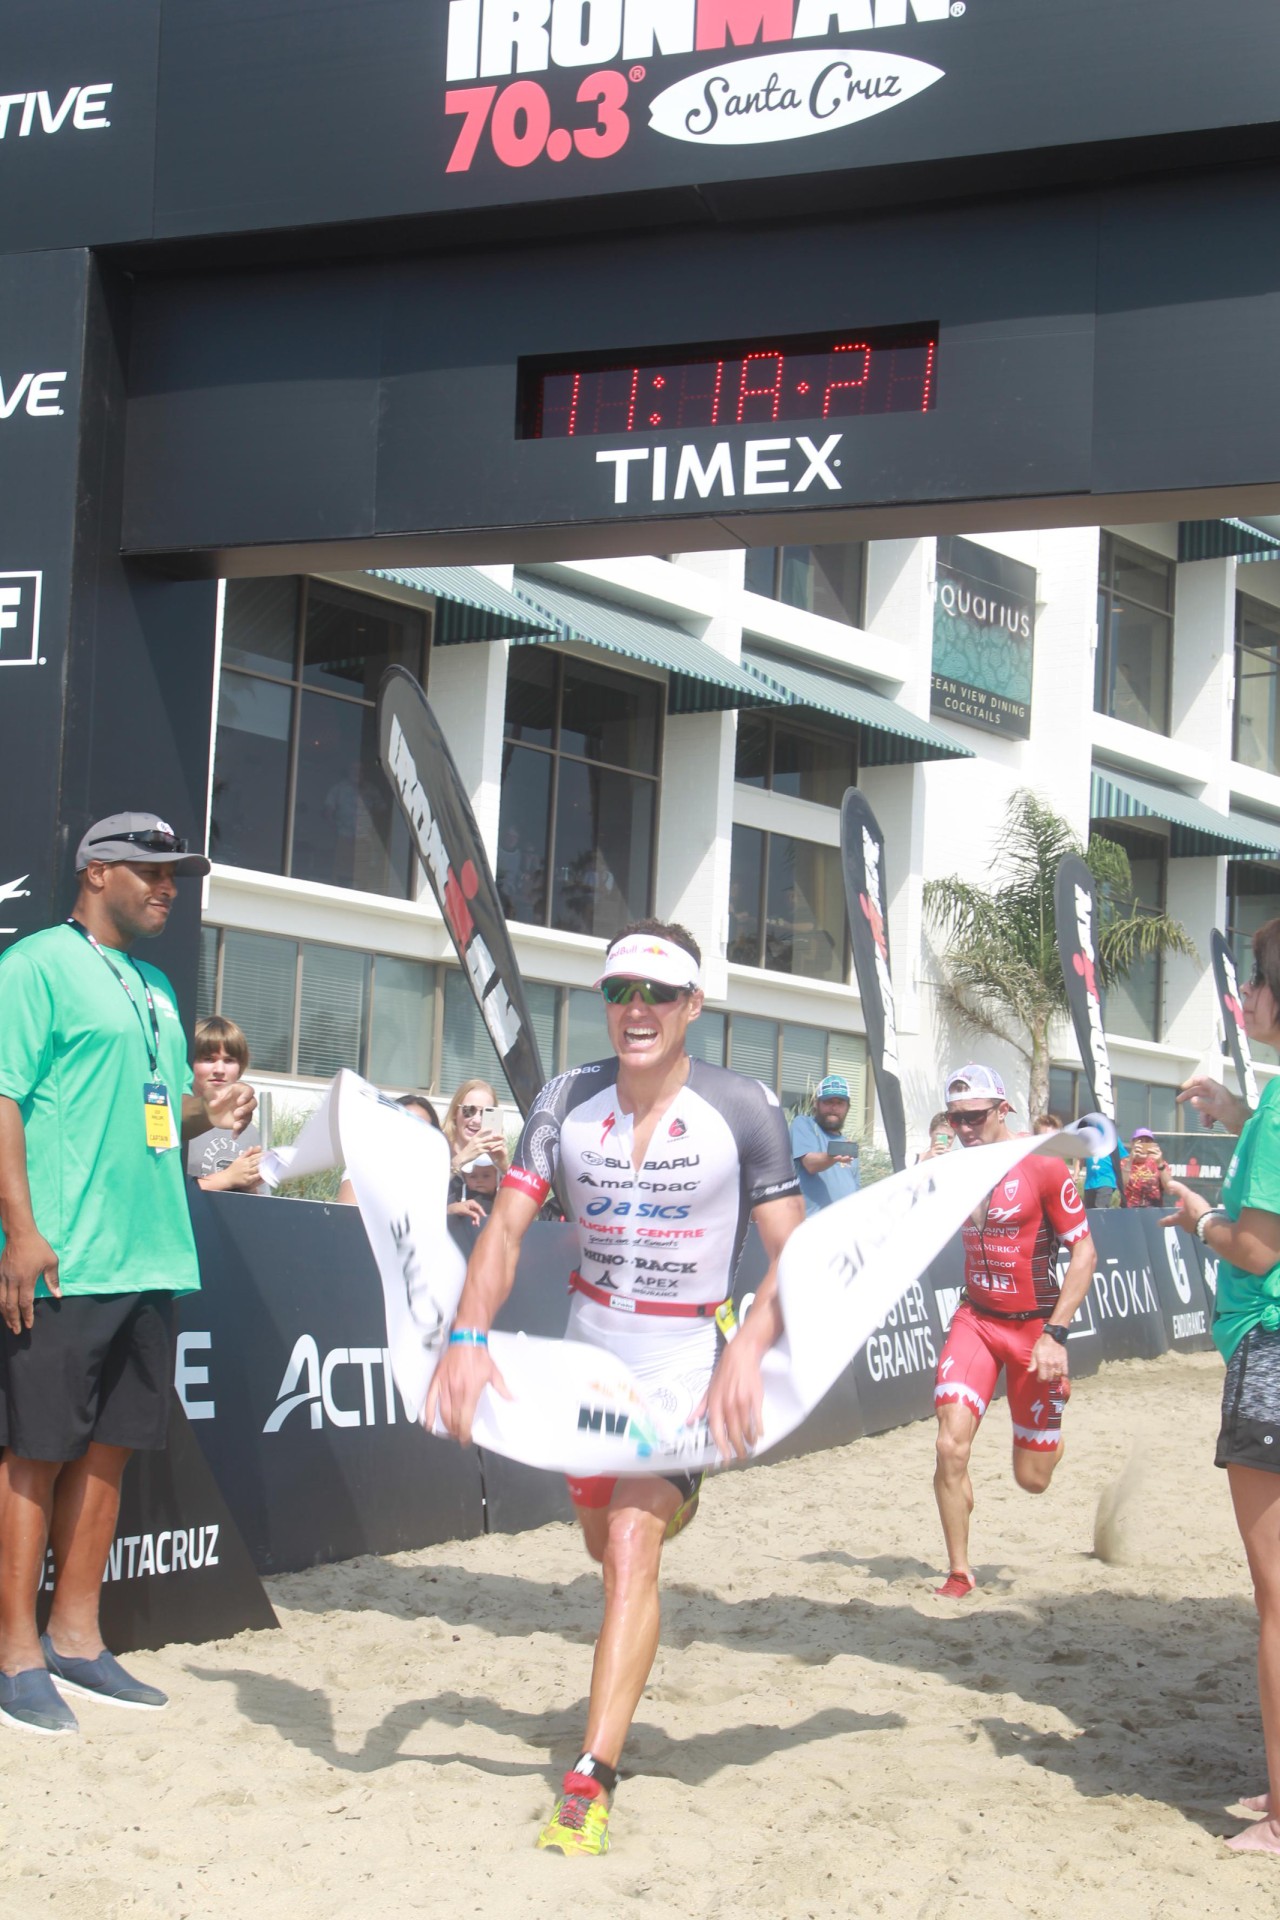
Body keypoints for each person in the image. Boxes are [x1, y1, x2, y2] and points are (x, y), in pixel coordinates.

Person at [427, 918, 804, 1856]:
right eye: (619, 993)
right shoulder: (565, 1098)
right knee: (604, 1545)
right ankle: (653, 1523)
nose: (637, 1011)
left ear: (692, 1007)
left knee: (633, 1548)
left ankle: (590, 1779)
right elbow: (507, 1232)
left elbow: (798, 1255)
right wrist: (468, 1334)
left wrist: (751, 1345)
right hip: (589, 1359)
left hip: (685, 1365)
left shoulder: (744, 1107)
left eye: (658, 995)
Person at [0, 812, 255, 1736]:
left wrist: (204, 1112)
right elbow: (6, 1102)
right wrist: (21, 1232)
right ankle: (14, 1654)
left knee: (108, 1450)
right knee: (34, 1451)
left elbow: (144, 1115)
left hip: (152, 1250)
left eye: (176, 873)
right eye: (152, 871)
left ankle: (75, 1637)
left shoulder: (151, 986)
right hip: (65, 1254)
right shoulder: (34, 967)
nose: (168, 887)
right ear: (97, 871)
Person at [1164, 919, 1280, 1855]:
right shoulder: (1273, 1110)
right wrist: (1239, 1116)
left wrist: (1200, 1220)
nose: (1243, 1003)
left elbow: (1254, 1246)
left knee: (1277, 1594)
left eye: (1253, 988)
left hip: (1273, 1348)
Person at [931, 1064, 1095, 1599]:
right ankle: (959, 1570)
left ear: (1004, 1111)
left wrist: (1057, 1334)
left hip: (1033, 1330)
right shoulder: (952, 1165)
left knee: (1033, 1479)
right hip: (975, 1320)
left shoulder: (1042, 1163)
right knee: (950, 1446)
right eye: (955, 1119)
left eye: (975, 1117)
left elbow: (1085, 1253)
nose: (964, 1128)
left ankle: (1051, 1430)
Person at [337, 1094, 484, 1222]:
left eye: (423, 1129)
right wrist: (458, 1161)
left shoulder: (428, 1177)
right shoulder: (362, 1168)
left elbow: (417, 1219)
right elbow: (347, 1222)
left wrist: (448, 1211)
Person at [188, 1015, 263, 1193]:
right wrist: (227, 1178)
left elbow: (257, 1200)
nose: (219, 1070)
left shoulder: (248, 1130)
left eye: (229, 1060)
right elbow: (166, 1192)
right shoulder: (177, 1122)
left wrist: (250, 1185)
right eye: (208, 1059)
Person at [790, 1074, 860, 1215]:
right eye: (828, 1102)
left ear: (848, 1107)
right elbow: (810, 1164)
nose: (834, 1108)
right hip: (811, 1224)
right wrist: (833, 1157)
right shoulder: (804, 1125)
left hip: (845, 1226)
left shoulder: (848, 1146)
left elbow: (856, 1191)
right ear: (816, 1103)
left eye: (840, 1103)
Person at [443, 1078, 510, 1184]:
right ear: (455, 1112)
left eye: (485, 1113)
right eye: (469, 1110)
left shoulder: (492, 1156)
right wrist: (461, 1159)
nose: (477, 1120)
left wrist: (504, 1167)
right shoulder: (439, 1146)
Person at [1123, 1126, 1170, 1207]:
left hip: (1154, 1211)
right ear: (1132, 1143)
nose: (1143, 1145)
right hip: (1129, 1211)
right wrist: (1130, 1160)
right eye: (1140, 1141)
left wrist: (1160, 1164)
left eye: (1147, 1142)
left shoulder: (1159, 1162)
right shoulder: (1124, 1162)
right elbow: (1121, 1187)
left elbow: (1169, 1189)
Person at [1082, 1133, 1128, 1207]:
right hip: (1089, 1183)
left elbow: (1123, 1158)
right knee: (1089, 1213)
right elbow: (1080, 1157)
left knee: (1100, 1210)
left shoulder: (1112, 1137)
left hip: (1106, 1180)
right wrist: (1076, 1174)